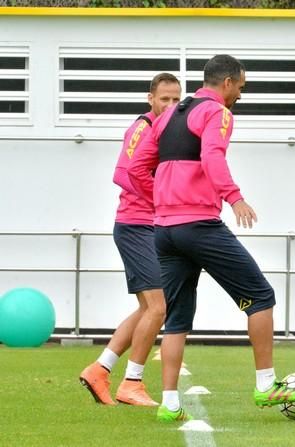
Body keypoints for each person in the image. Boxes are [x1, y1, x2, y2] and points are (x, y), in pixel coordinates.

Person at [127, 54, 295, 422]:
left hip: (164, 230)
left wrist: (165, 199)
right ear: (227, 83)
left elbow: (136, 167)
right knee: (261, 296)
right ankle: (266, 386)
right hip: (199, 226)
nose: (240, 95)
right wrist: (235, 196)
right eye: (240, 88)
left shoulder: (166, 116)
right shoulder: (218, 113)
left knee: (177, 316)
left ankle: (169, 403)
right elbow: (213, 156)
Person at [80, 73, 182, 407]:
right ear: (150, 98)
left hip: (150, 226)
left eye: (176, 100)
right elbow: (123, 173)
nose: (170, 105)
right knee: (158, 306)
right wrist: (164, 198)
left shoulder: (167, 131)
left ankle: (101, 369)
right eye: (164, 98)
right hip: (135, 225)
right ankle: (132, 383)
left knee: (149, 308)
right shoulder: (142, 127)